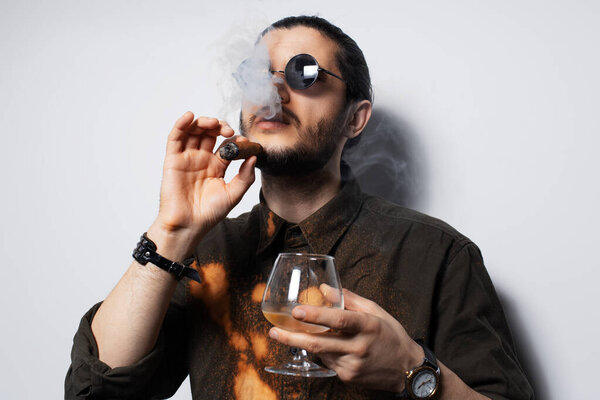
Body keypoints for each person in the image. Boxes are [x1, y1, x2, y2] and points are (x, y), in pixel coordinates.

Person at [65, 16, 534, 400]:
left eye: (302, 73)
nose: (273, 93)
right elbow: (97, 391)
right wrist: (171, 230)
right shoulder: (202, 252)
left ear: (355, 119)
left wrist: (410, 370)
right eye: (256, 75)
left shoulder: (439, 254)